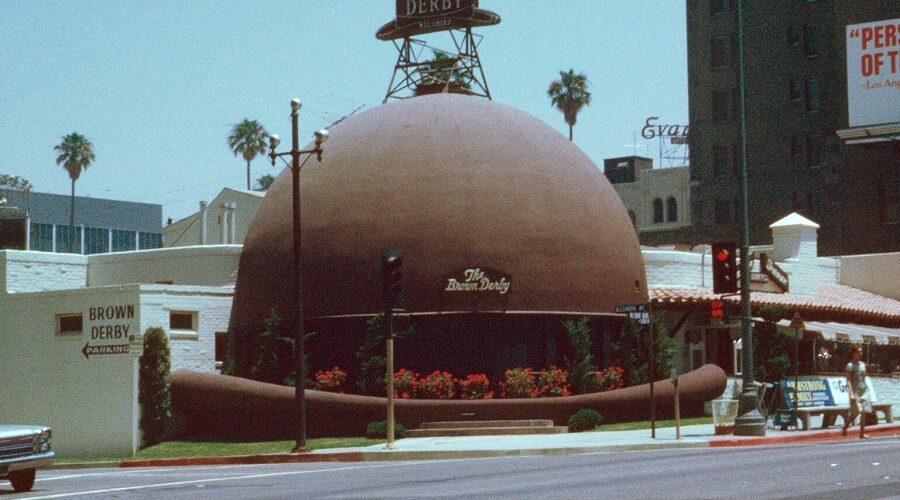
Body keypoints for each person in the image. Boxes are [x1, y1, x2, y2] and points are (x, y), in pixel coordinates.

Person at [842, 346, 873, 439]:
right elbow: (848, 380)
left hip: (864, 390)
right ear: (854, 353)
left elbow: (863, 377)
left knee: (864, 411)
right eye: (858, 352)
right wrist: (851, 393)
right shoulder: (850, 365)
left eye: (861, 352)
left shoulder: (863, 365)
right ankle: (846, 425)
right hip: (855, 392)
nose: (860, 353)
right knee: (855, 413)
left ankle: (862, 433)